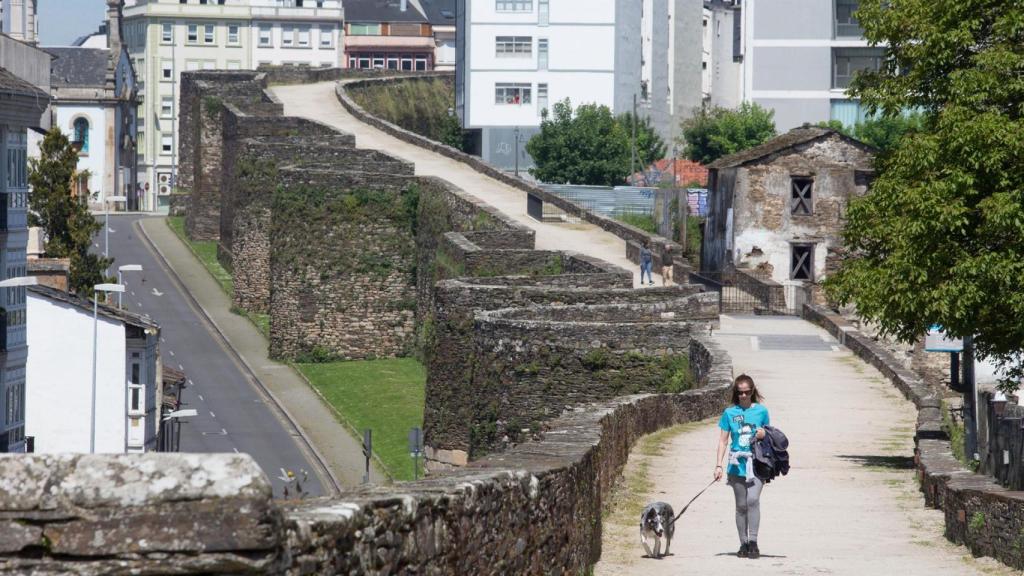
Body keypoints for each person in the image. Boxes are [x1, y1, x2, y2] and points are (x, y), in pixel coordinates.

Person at [714, 374, 770, 559]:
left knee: (752, 500)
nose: (744, 396)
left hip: (756, 464)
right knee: (740, 506)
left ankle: (753, 541)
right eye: (740, 393)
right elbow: (723, 441)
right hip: (736, 464)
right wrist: (718, 465)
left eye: (747, 392)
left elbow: (770, 436)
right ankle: (743, 543)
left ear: (752, 391)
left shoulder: (761, 411)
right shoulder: (729, 413)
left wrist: (763, 434)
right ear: (736, 393)